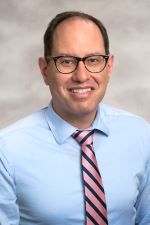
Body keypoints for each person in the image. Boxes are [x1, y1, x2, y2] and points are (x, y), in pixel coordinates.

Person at [0, 11, 150, 225]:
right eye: (67, 61)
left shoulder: (141, 135)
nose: (81, 76)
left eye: (94, 60)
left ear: (109, 67)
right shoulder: (7, 151)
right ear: (44, 70)